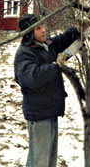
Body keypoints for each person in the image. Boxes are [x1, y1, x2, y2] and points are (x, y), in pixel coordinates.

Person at [14, 14, 80, 167]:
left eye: (43, 26)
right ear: (29, 32)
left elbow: (62, 40)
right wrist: (55, 66)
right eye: (38, 28)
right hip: (39, 114)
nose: (44, 30)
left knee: (49, 161)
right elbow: (31, 78)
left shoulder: (45, 45)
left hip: (49, 111)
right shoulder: (25, 53)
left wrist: (76, 31)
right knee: (39, 162)